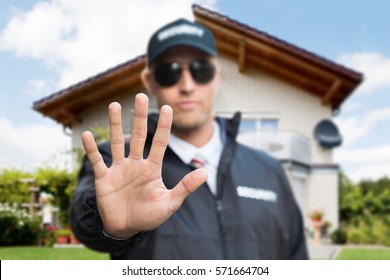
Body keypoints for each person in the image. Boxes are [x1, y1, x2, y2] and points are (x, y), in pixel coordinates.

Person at [70, 18, 309, 260]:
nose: (186, 85)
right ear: (150, 81)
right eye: (169, 72)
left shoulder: (269, 170)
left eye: (200, 70)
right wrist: (110, 225)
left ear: (216, 77)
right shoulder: (114, 161)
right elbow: (84, 220)